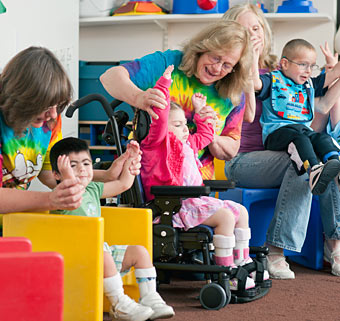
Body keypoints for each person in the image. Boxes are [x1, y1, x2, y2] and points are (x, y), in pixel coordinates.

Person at [223, 3, 340, 278]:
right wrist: (247, 59)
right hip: (242, 161)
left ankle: (335, 245)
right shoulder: (227, 71)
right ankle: (275, 252)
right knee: (300, 160)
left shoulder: (287, 71)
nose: (252, 34)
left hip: (285, 148)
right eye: (244, 29)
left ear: (264, 32)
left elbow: (315, 110)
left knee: (321, 155)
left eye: (256, 28)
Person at [140, 65, 269, 291]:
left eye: (184, 125)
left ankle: (241, 261)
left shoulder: (187, 144)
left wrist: (200, 112)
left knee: (241, 212)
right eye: (178, 125)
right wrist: (164, 85)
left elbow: (207, 135)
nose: (184, 130)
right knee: (226, 218)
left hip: (193, 202)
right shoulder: (157, 145)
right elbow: (160, 121)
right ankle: (225, 272)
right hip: (172, 207)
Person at [100, 20, 256, 181]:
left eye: (227, 65)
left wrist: (209, 132)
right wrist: (139, 97)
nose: (217, 68)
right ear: (202, 48)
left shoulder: (232, 93)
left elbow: (231, 150)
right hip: (149, 174)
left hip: (194, 182)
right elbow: (109, 77)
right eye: (216, 58)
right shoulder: (169, 63)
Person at [0, 46, 141, 216]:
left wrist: (107, 175)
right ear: (22, 97)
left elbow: (50, 175)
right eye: (45, 106)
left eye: (56, 106)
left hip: (16, 225)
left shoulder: (49, 121)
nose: (53, 114)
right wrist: (50, 200)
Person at [49, 137, 175, 321]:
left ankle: (150, 298)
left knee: (140, 252)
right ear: (57, 175)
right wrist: (69, 178)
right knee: (103, 254)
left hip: (102, 254)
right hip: (75, 257)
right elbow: (72, 195)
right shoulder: (59, 195)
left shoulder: (92, 189)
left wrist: (131, 160)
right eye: (73, 166)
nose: (82, 169)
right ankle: (119, 303)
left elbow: (123, 184)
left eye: (86, 163)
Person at [253, 38, 340, 195]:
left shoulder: (309, 84)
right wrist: (252, 57)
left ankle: (335, 165)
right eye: (302, 64)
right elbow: (254, 84)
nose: (308, 70)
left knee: (322, 138)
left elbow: (334, 74)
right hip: (277, 134)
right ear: (285, 64)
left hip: (302, 130)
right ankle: (314, 171)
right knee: (300, 138)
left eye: (311, 66)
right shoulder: (272, 80)